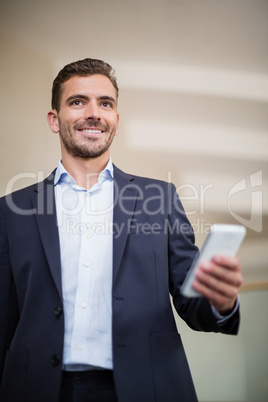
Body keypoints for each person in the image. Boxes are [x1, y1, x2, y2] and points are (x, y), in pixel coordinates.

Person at [0, 58, 243, 402]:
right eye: (77, 101)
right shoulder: (11, 210)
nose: (94, 113)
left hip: (148, 387)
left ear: (116, 120)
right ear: (54, 120)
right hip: (37, 390)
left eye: (106, 103)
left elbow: (194, 304)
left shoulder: (160, 197)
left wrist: (221, 301)